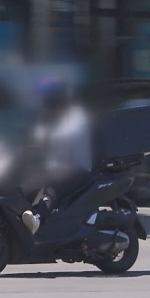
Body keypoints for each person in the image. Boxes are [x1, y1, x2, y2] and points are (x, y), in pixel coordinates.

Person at [20, 77, 95, 233]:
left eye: (50, 102)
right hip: (58, 168)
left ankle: (38, 218)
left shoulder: (76, 118)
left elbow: (64, 141)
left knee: (51, 184)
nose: (47, 106)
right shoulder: (50, 118)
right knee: (26, 185)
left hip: (78, 168)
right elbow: (38, 140)